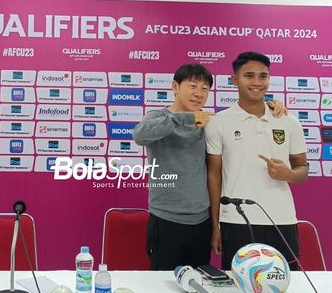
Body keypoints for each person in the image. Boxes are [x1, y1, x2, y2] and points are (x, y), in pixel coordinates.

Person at [132, 63, 285, 270]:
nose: (199, 94)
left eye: (205, 89)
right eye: (193, 86)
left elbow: (242, 125)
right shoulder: (159, 117)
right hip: (166, 219)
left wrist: (270, 106)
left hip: (201, 221)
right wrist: (188, 118)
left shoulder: (210, 122)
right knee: (164, 285)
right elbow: (140, 135)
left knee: (200, 284)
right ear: (175, 87)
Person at [205, 52, 308, 271]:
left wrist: (288, 174)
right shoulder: (219, 122)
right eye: (248, 75)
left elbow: (302, 169)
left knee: (285, 287)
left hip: (281, 219)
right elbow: (213, 175)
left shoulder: (289, 121)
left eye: (263, 76)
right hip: (236, 220)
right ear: (235, 80)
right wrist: (215, 225)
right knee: (238, 289)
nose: (257, 82)